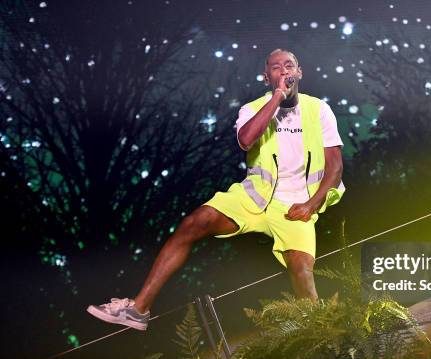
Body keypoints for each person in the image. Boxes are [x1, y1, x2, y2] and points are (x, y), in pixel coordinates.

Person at [87, 49, 345, 331]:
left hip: (295, 206)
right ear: (266, 76)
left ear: (299, 72)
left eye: (289, 66)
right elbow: (246, 140)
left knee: (302, 273)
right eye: (275, 67)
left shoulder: (319, 109)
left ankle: (323, 344)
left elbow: (335, 168)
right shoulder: (252, 109)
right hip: (254, 197)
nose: (283, 71)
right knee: (194, 222)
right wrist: (277, 98)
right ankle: (138, 310)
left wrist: (311, 204)